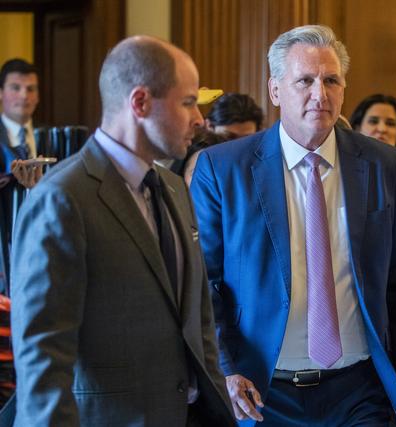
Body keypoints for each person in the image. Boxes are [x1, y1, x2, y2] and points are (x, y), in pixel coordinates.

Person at [190, 24, 396, 427]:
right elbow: (202, 283)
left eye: (331, 80)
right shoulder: (223, 169)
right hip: (263, 392)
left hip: (361, 389)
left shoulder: (382, 163)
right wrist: (225, 369)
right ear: (275, 90)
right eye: (305, 80)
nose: (321, 94)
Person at [10, 36, 235, 426]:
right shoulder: (62, 198)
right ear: (141, 103)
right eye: (187, 102)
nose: (199, 118)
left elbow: (197, 324)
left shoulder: (175, 188)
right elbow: (43, 361)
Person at [0, 58, 42, 295]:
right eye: (16, 88)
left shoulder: (52, 136)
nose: (24, 95)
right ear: (1, 93)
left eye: (30, 89)